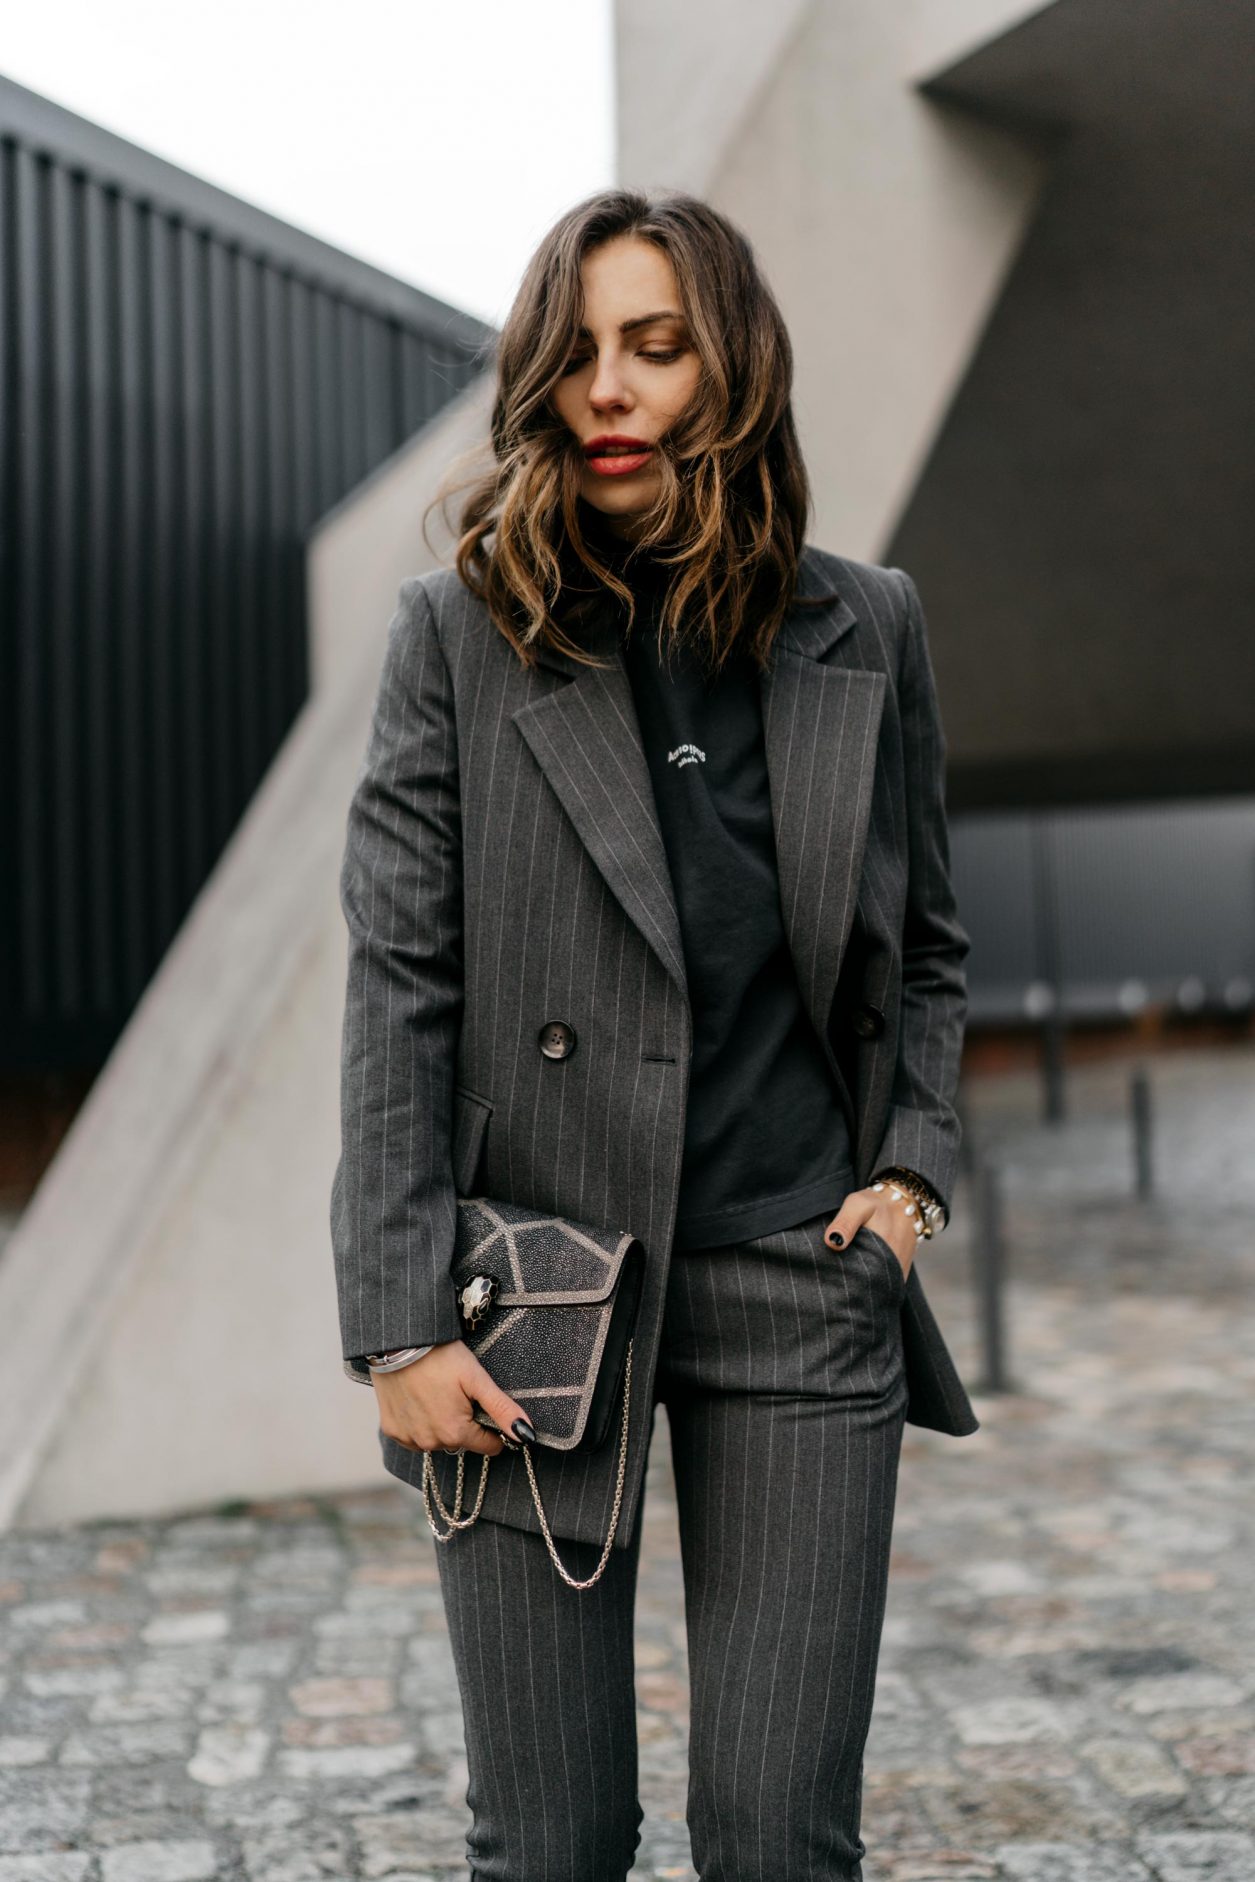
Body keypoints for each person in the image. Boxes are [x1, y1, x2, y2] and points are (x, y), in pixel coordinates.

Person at [330, 187, 979, 1882]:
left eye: (656, 346)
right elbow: (397, 986)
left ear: (732, 370)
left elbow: (924, 952)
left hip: (799, 1279)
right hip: (535, 1298)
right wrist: (398, 1322)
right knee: (548, 1844)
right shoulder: (460, 635)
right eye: (578, 352)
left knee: (776, 1839)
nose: (606, 387)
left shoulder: (866, 624)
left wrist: (906, 1182)